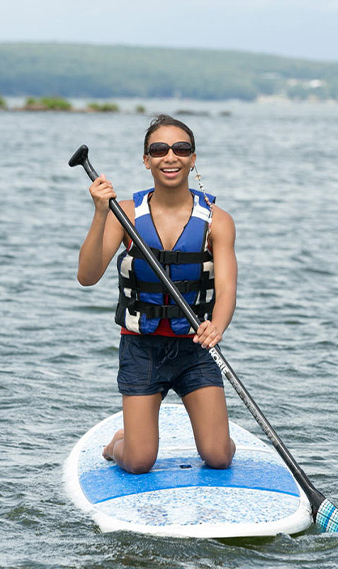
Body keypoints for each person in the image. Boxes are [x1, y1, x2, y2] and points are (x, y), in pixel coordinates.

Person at [77, 114, 237, 474]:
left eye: (181, 149)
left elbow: (226, 288)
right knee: (138, 462)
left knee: (218, 457)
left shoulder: (217, 220)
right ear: (146, 160)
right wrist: (101, 214)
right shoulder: (126, 214)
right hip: (141, 348)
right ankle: (120, 443)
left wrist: (218, 326)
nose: (171, 157)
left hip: (195, 349)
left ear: (193, 158)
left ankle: (221, 436)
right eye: (159, 149)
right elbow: (87, 276)